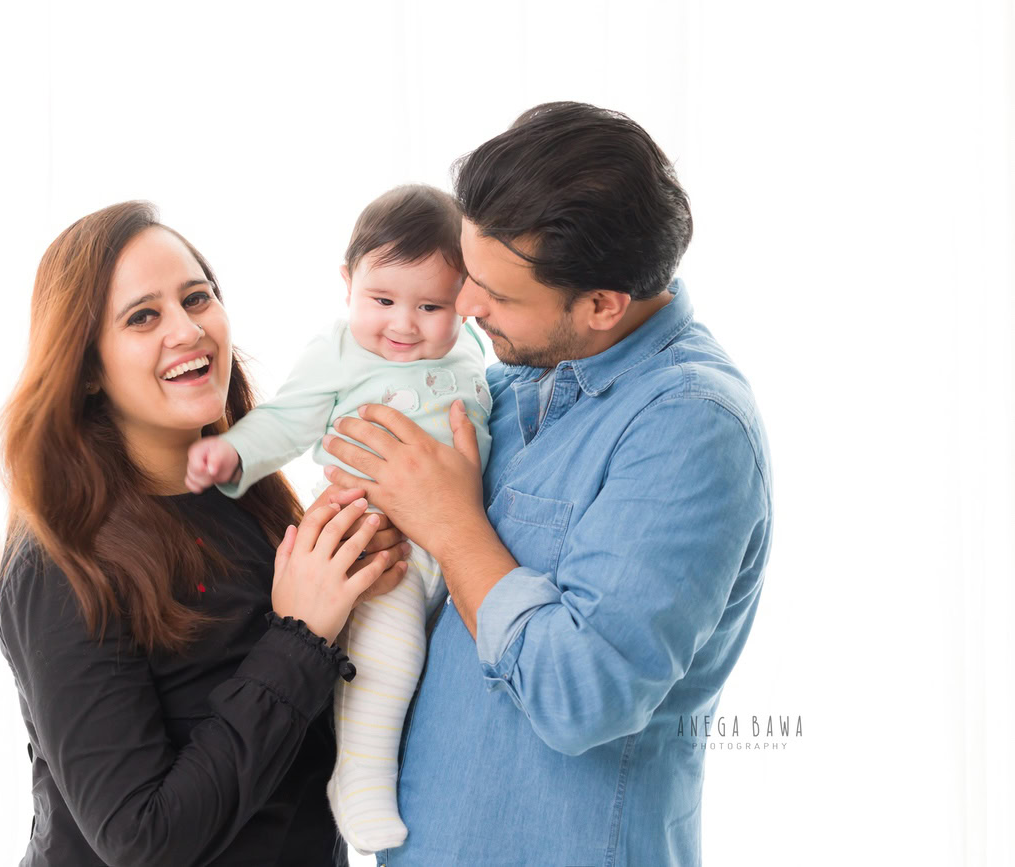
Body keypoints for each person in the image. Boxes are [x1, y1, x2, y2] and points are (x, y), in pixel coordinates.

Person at [320, 102, 774, 866]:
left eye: (496, 294)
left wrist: (450, 523)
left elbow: (582, 695)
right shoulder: (512, 382)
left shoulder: (692, 425)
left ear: (602, 305)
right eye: (468, 273)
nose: (464, 306)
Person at [0, 200, 411, 867]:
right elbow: (143, 840)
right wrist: (301, 635)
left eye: (197, 298)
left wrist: (360, 596)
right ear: (89, 367)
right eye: (143, 316)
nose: (188, 330)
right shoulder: (59, 561)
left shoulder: (253, 504)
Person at [185, 185, 493, 854]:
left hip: (458, 542)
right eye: (381, 301)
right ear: (348, 282)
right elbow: (288, 419)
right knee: (391, 653)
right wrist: (231, 451)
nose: (404, 325)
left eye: (430, 306)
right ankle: (360, 775)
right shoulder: (338, 352)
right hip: (376, 539)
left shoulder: (474, 351)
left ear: (466, 300)